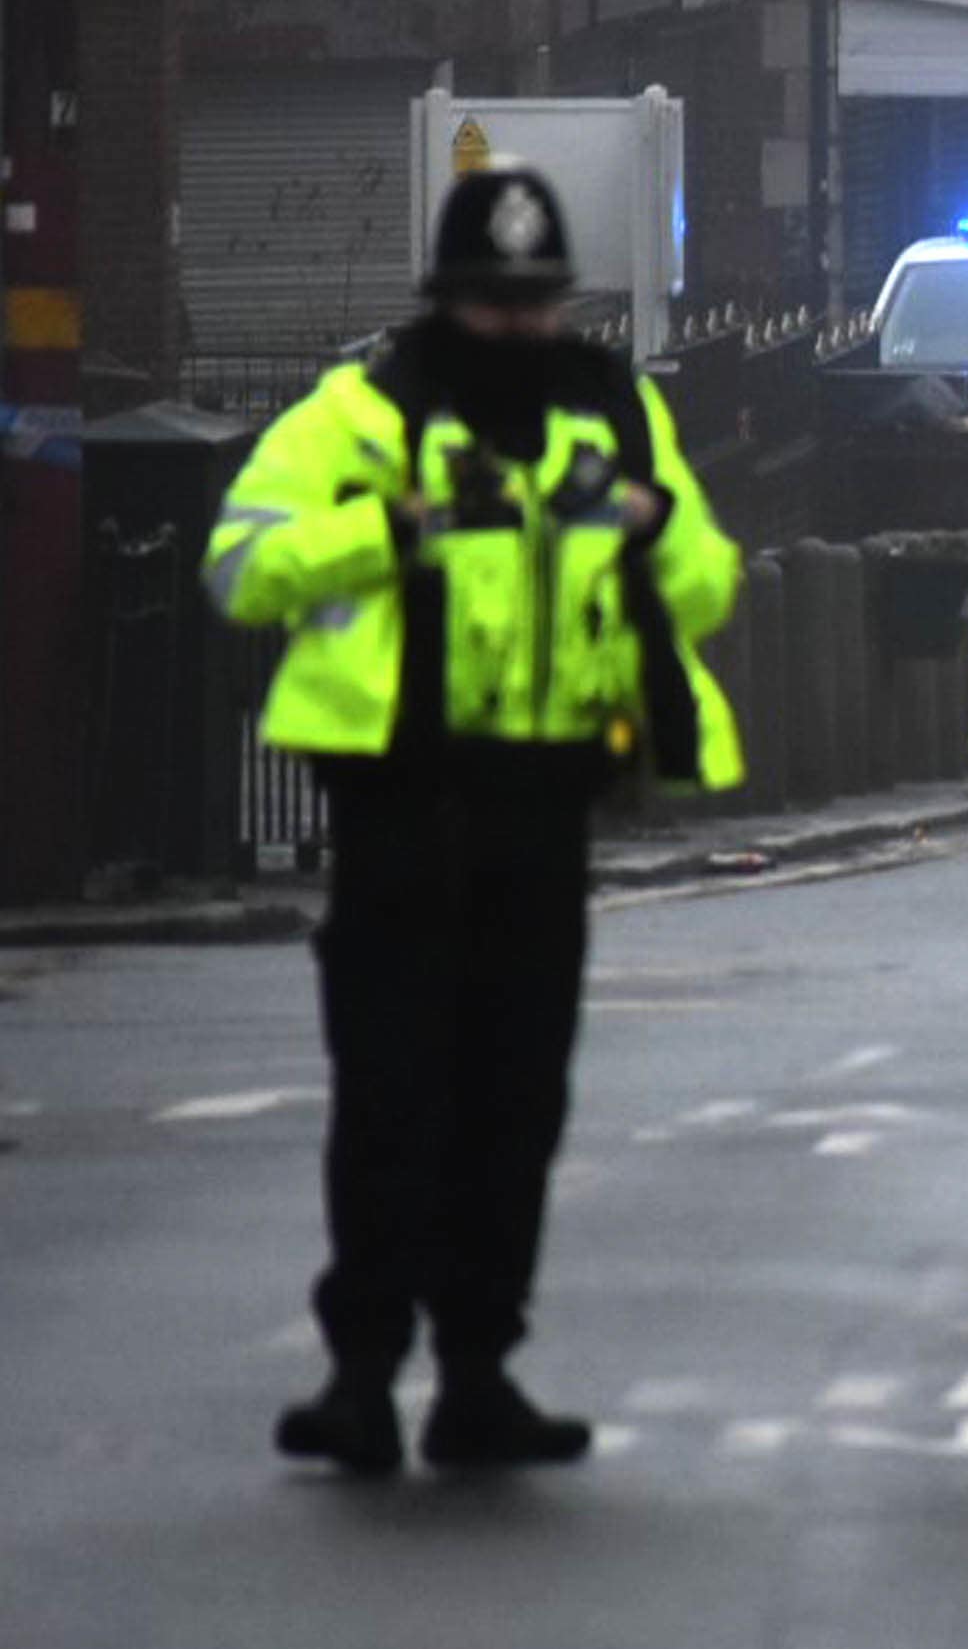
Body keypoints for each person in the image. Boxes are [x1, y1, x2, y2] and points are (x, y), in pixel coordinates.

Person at [205, 166, 744, 1476]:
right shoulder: (365, 413)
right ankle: (361, 1378)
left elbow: (709, 586)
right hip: (400, 803)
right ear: (445, 299)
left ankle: (477, 1375)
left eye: (537, 301)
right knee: (391, 1098)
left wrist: (649, 522)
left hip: (545, 806)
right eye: (495, 302)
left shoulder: (612, 413)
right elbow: (240, 564)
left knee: (516, 1103)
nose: (519, 324)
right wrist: (390, 530)